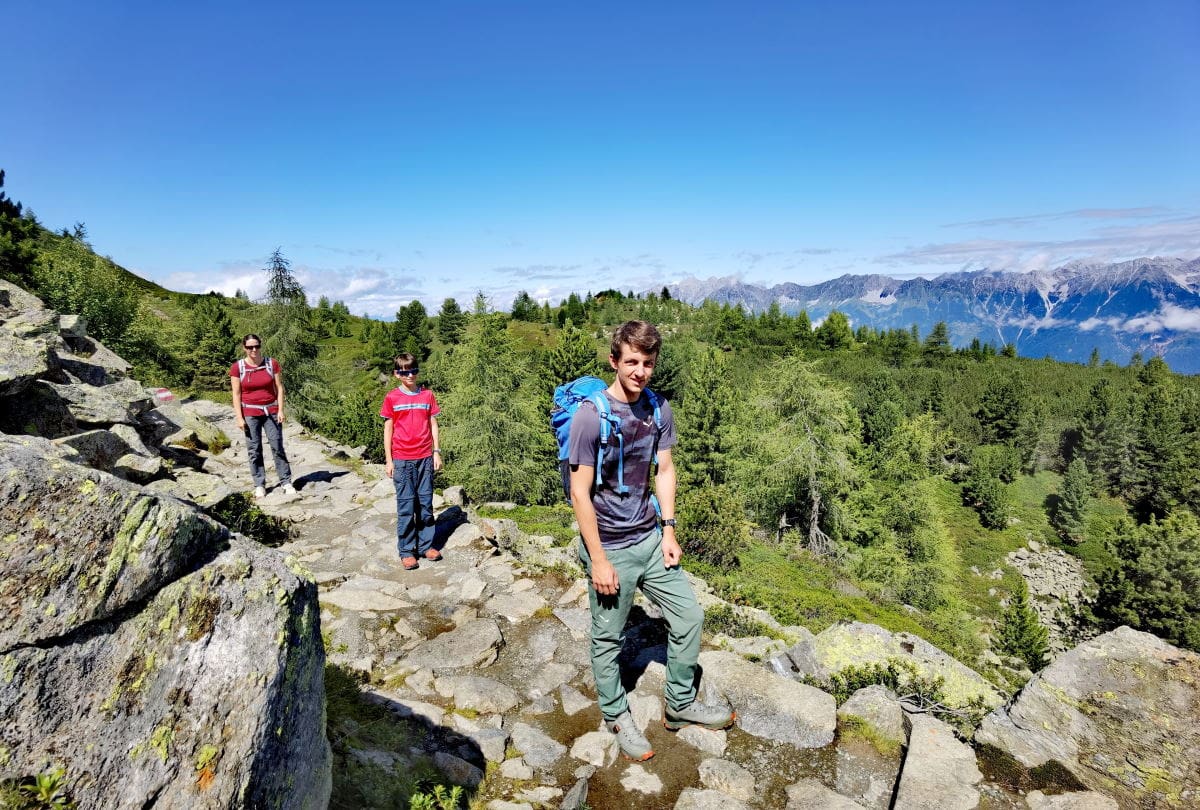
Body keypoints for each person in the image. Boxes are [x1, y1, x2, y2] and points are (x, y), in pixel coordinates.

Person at [567, 320, 733, 763]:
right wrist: (598, 560)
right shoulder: (590, 415)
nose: (640, 371)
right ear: (615, 361)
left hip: (649, 535)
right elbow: (578, 492)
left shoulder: (658, 409)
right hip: (610, 546)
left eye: (648, 363)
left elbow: (664, 470)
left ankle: (679, 706)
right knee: (609, 638)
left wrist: (670, 529)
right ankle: (617, 714)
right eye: (632, 361)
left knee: (689, 616)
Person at [380, 353, 442, 570]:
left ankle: (426, 546)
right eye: (405, 372)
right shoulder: (392, 398)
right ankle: (407, 550)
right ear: (397, 374)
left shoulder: (427, 396)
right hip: (403, 460)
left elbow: (433, 424)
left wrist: (436, 452)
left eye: (413, 370)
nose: (410, 375)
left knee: (425, 505)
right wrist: (389, 460)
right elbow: (388, 429)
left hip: (425, 457)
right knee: (406, 506)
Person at [230, 334, 295, 498]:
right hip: (250, 413)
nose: (254, 350)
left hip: (271, 412)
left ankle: (286, 481)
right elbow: (236, 394)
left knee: (277, 446)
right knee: (254, 450)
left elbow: (279, 387)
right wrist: (239, 417)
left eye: (256, 346)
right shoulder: (238, 367)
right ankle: (259, 484)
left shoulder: (271, 364)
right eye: (250, 347)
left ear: (260, 346)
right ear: (244, 348)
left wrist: (280, 410)